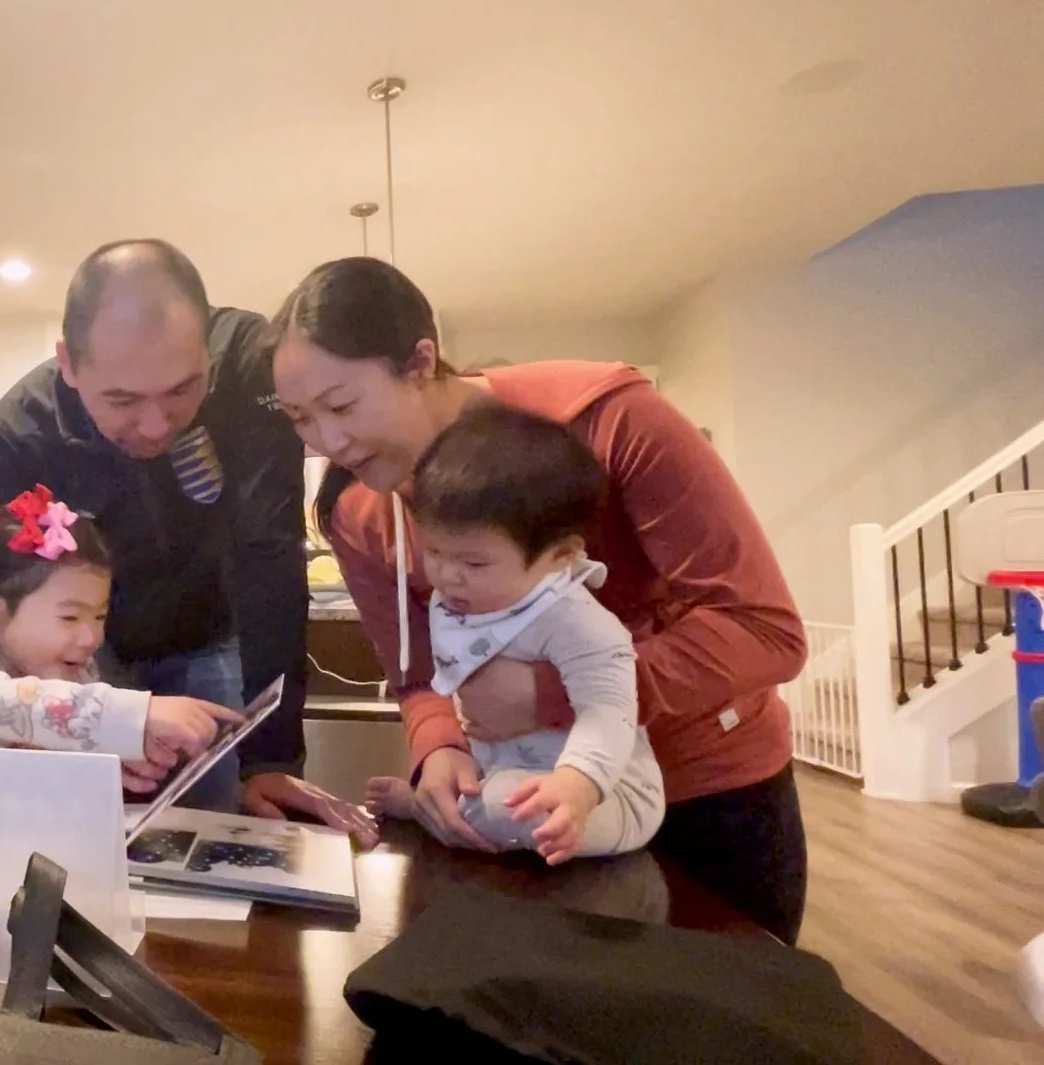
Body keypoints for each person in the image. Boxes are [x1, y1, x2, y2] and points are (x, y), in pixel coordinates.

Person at [267, 256, 810, 943]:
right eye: (300, 419)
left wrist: (549, 696)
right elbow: (415, 673)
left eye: (342, 405)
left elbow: (765, 631)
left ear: (420, 361)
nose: (330, 442)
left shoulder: (610, 422)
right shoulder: (356, 511)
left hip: (704, 796)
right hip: (522, 809)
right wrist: (439, 750)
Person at [0, 239, 376, 841]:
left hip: (213, 633)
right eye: (121, 400)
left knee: (221, 827)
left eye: (182, 391)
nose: (155, 426)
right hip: (92, 647)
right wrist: (78, 718)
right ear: (68, 363)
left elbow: (267, 552)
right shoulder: (22, 430)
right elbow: (30, 602)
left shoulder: (251, 369)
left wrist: (271, 757)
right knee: (101, 831)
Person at [362, 404, 664, 866]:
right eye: (435, 550)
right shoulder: (461, 597)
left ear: (561, 555)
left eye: (474, 562)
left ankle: (429, 812)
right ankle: (439, 805)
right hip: (502, 769)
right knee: (477, 791)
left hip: (608, 796)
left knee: (508, 806)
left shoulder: (575, 619)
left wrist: (577, 783)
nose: (447, 575)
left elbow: (609, 713)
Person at [0, 484, 241, 810]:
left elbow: (52, 751)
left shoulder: (75, 669)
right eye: (69, 617)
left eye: (99, 616)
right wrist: (130, 715)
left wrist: (107, 753)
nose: (91, 638)